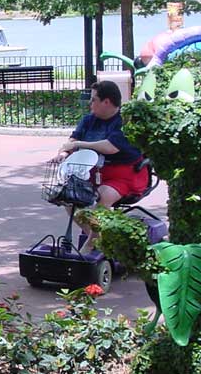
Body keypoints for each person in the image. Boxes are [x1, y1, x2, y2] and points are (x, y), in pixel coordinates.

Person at [57, 81, 149, 252]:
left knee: (103, 196)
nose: (90, 104)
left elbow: (111, 147)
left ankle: (91, 245)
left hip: (124, 174)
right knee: (69, 199)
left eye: (93, 100)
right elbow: (73, 140)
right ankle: (98, 236)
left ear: (106, 102)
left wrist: (80, 144)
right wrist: (64, 153)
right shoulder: (88, 120)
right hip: (94, 173)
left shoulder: (123, 121)